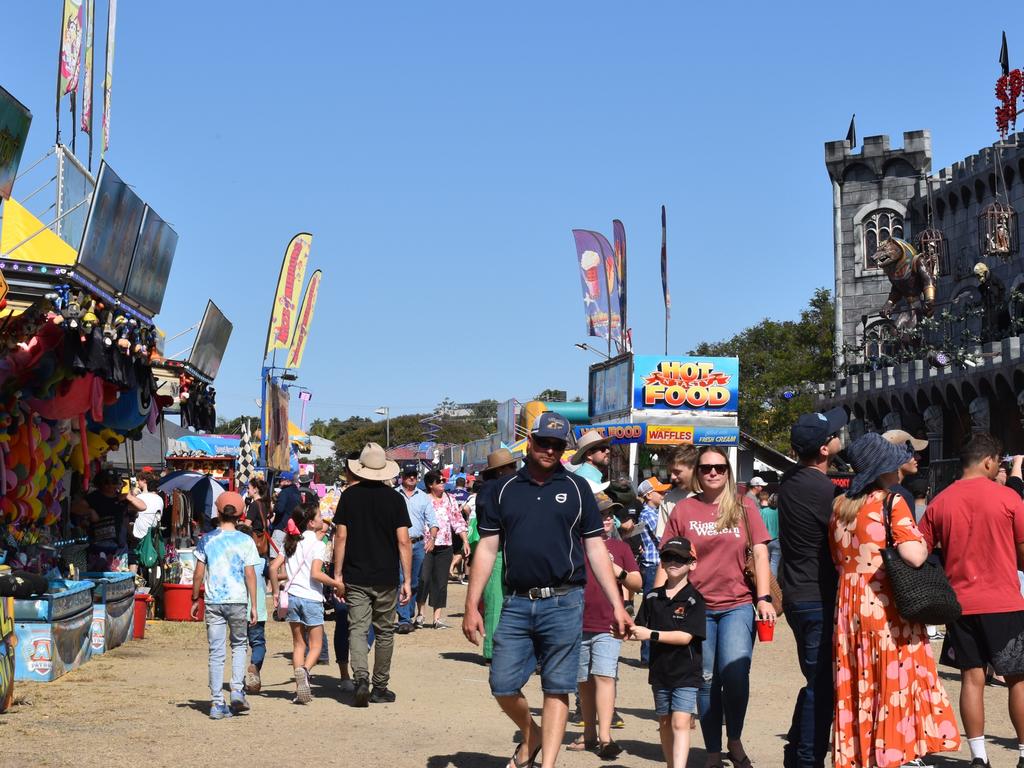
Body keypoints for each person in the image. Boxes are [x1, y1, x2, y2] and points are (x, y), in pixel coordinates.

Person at [463, 412, 631, 768]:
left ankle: (547, 763)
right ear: (531, 443)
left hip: (566, 601)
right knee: (502, 684)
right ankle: (533, 734)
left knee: (557, 687)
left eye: (558, 445)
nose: (550, 450)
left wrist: (618, 604)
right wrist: (471, 604)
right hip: (517, 601)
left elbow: (596, 549)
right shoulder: (502, 490)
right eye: (544, 442)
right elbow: (488, 549)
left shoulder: (577, 488)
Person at [830, 433, 960, 767]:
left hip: (849, 604)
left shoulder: (840, 505)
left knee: (860, 680)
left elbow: (837, 558)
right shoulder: (891, 502)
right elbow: (914, 556)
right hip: (885, 601)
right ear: (883, 467)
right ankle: (893, 754)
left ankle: (864, 753)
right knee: (893, 679)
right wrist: (922, 539)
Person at [659, 446, 775, 768]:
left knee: (736, 672)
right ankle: (712, 752)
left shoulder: (744, 506)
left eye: (720, 468)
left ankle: (734, 739)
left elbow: (761, 553)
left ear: (728, 472)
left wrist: (763, 598)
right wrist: (658, 601)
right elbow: (668, 556)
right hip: (697, 607)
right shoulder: (684, 510)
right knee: (707, 678)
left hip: (738, 604)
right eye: (707, 467)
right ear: (698, 472)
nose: (713, 472)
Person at [920, 433, 1024, 768]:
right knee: (1018, 678)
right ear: (989, 461)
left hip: (960, 603)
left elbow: (921, 551)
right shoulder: (1009, 499)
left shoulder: (940, 503)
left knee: (971, 678)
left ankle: (978, 756)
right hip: (1004, 601)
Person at [777, 406, 846, 768]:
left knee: (815, 682)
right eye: (835, 434)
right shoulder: (822, 489)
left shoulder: (791, 481)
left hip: (798, 595)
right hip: (817, 598)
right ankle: (806, 760)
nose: (839, 437)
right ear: (824, 449)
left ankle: (796, 753)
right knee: (821, 688)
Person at [333, 443, 412, 707]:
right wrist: (408, 579)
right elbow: (403, 541)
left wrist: (337, 573)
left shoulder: (349, 497)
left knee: (357, 629)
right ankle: (380, 687)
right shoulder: (395, 498)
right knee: (385, 631)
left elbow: (341, 537)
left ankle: (361, 680)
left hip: (355, 575)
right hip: (386, 575)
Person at [566, 493, 641, 759]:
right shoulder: (575, 545)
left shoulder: (621, 549)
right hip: (577, 621)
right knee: (583, 681)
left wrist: (616, 569)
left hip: (608, 622)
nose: (608, 518)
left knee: (605, 676)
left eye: (611, 514)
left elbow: (636, 584)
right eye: (602, 514)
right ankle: (588, 735)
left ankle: (606, 737)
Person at [627, 537, 705, 768]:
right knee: (664, 721)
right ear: (660, 562)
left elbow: (686, 637)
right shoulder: (651, 597)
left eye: (680, 558)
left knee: (681, 723)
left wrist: (650, 634)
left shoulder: (695, 599)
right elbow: (637, 629)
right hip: (660, 671)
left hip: (686, 673)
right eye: (668, 557)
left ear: (692, 564)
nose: (673, 562)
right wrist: (622, 631)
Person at [190, 491, 260, 719]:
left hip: (214, 601)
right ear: (240, 515)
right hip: (238, 600)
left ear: (218, 513)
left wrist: (194, 598)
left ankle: (217, 702)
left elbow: (198, 574)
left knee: (216, 652)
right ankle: (237, 691)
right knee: (240, 645)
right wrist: (254, 605)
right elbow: (251, 575)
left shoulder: (207, 539)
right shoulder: (246, 540)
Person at [270, 501, 343, 704]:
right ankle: (304, 671)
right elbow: (316, 574)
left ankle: (299, 687)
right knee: (316, 646)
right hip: (311, 598)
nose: (322, 519)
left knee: (298, 644)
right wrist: (337, 583)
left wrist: (276, 592)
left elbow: (273, 568)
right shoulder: (318, 545)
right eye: (319, 517)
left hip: (292, 597)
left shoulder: (291, 542)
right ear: (311, 523)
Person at [468, 448, 519, 661]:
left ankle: (493, 649)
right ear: (501, 470)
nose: (516, 469)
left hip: (495, 548)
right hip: (497, 549)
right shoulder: (498, 489)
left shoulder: (487, 490)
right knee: (497, 601)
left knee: (496, 601)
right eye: (512, 466)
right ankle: (492, 650)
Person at [416, 470, 469, 629]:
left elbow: (458, 521)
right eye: (439, 481)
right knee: (423, 579)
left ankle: (437, 618)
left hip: (445, 545)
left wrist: (465, 541)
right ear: (430, 485)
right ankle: (420, 614)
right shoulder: (423, 499)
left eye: (443, 480)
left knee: (441, 582)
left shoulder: (451, 499)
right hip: (426, 545)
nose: (443, 482)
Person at [395, 467, 438, 634]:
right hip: (399, 543)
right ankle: (404, 619)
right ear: (402, 477)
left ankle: (409, 612)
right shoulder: (395, 494)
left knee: (415, 581)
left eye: (414, 475)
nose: (412, 478)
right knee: (401, 579)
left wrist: (432, 539)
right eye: (408, 475)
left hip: (418, 543)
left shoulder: (423, 497)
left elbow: (433, 522)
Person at [636, 476, 671, 666]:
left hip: (652, 566)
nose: (664, 494)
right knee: (652, 609)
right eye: (661, 492)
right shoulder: (649, 515)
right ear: (649, 495)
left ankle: (650, 655)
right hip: (652, 567)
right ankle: (648, 656)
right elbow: (663, 537)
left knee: (653, 608)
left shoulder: (651, 512)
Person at [85, 469, 147, 570]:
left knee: (118, 579)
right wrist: (90, 511)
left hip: (119, 549)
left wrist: (129, 496)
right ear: (101, 484)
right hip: (98, 549)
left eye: (115, 482)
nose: (112, 485)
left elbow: (143, 507)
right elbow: (75, 507)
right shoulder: (94, 497)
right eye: (107, 482)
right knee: (98, 579)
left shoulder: (122, 499)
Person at [235, 523, 268, 695]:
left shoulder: (233, 563)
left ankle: (238, 680)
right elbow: (274, 574)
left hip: (237, 608)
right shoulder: (261, 562)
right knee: (258, 644)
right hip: (258, 611)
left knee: (239, 646)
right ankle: (254, 666)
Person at [881, 429, 928, 511]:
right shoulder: (902, 497)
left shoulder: (876, 491)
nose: (918, 457)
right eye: (911, 452)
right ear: (898, 456)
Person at [657, 446, 699, 538]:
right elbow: (665, 541)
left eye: (677, 472)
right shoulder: (668, 501)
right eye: (671, 471)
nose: (672, 477)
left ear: (694, 469)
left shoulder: (713, 495)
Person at [130, 471, 164, 575]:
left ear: (144, 482)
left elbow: (131, 512)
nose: (137, 483)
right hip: (153, 533)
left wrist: (132, 495)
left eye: (138, 481)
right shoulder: (159, 499)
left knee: (134, 558)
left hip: (139, 533)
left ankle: (134, 579)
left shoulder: (140, 498)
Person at [270, 471, 302, 555]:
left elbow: (279, 509)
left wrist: (273, 507)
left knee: (274, 555)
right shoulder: (297, 493)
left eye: (281, 480)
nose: (280, 482)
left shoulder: (284, 492)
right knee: (287, 557)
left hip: (282, 527)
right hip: (294, 529)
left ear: (288, 481)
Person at [758, 492, 780, 578]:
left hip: (765, 541)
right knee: (774, 564)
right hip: (777, 540)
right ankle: (773, 586)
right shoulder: (778, 512)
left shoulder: (761, 511)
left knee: (764, 564)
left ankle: (765, 583)